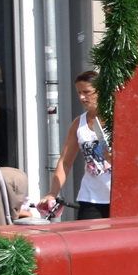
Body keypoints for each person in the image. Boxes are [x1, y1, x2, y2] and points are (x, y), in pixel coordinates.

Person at [41, 71, 112, 220]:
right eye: (79, 93)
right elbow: (65, 162)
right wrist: (52, 193)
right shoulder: (78, 123)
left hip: (118, 195)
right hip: (91, 197)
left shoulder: (117, 117)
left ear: (100, 90)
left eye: (86, 92)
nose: (82, 97)